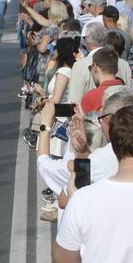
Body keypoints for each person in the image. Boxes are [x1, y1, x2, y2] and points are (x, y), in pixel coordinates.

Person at [54, 106, 133, 262]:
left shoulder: (82, 200)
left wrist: (82, 157)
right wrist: (83, 154)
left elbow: (63, 257)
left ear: (113, 145)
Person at [69, 23, 132, 103]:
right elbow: (129, 96)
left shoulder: (79, 65)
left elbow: (74, 101)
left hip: (90, 113)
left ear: (87, 40)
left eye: (84, 38)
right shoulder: (124, 64)